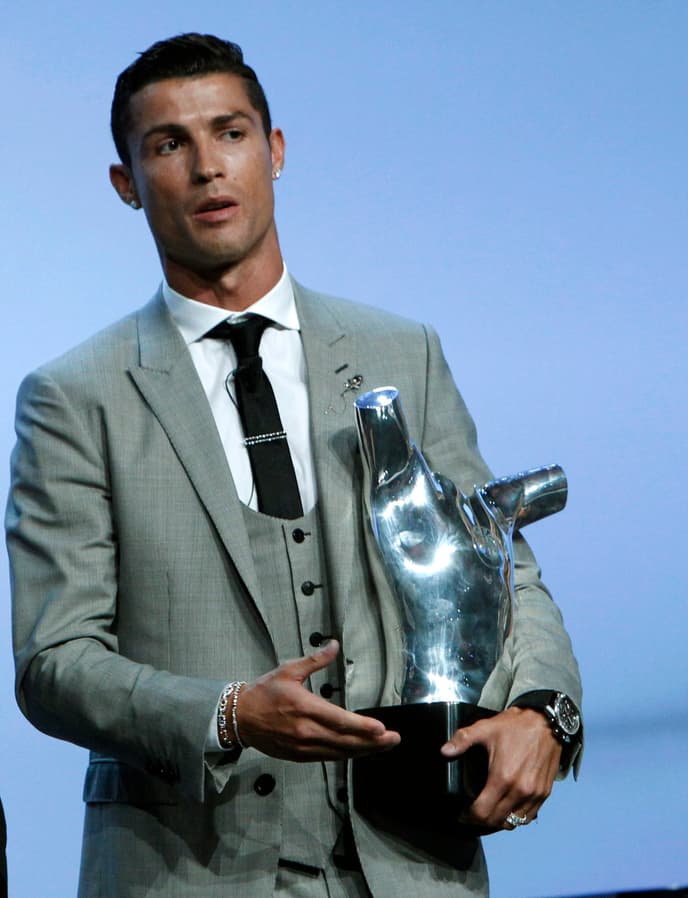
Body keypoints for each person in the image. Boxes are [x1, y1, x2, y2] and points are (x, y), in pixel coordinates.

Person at [8, 33, 582, 898]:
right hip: (188, 868)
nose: (207, 167)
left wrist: (546, 708)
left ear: (274, 153)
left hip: (410, 862)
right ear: (127, 183)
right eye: (169, 144)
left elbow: (498, 562)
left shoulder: (402, 353)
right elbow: (55, 662)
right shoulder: (75, 396)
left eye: (230, 133)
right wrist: (231, 714)